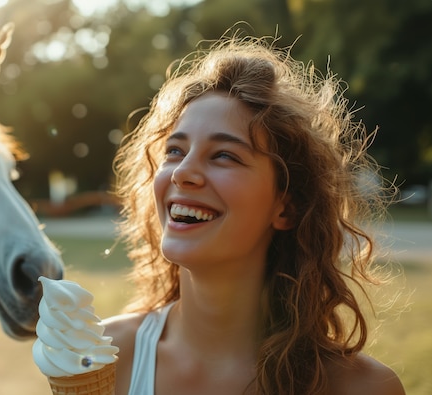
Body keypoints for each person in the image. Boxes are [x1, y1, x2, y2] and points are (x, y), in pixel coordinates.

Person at [103, 30, 405, 395]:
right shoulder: (103, 356)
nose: (182, 172)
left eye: (224, 155)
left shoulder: (362, 388)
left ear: (287, 207)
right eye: (175, 151)